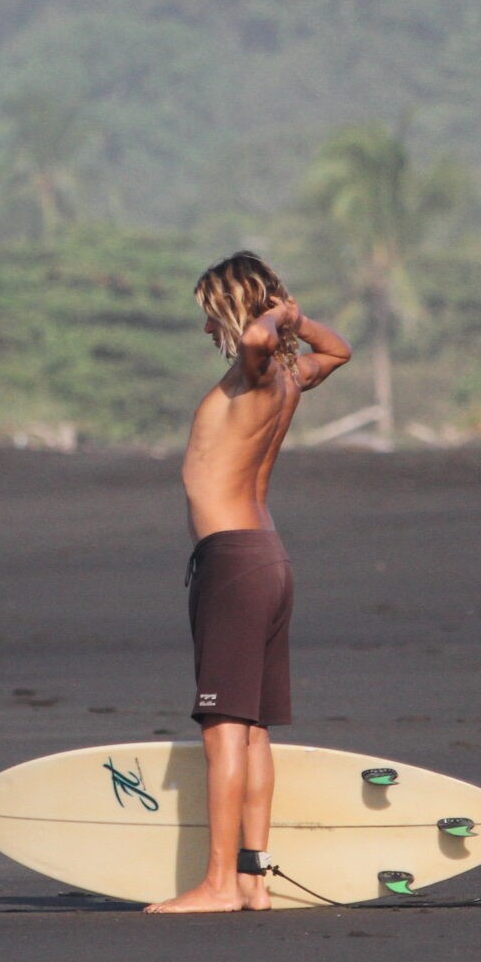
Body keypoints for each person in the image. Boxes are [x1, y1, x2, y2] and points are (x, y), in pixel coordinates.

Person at [147, 253, 352, 913]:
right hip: (268, 558)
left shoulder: (258, 370)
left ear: (234, 308)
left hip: (234, 564)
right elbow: (339, 350)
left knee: (224, 728)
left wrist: (275, 316)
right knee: (255, 727)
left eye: (214, 313)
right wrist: (294, 316)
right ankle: (254, 879)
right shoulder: (291, 376)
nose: (209, 328)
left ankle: (216, 885)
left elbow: (264, 339)